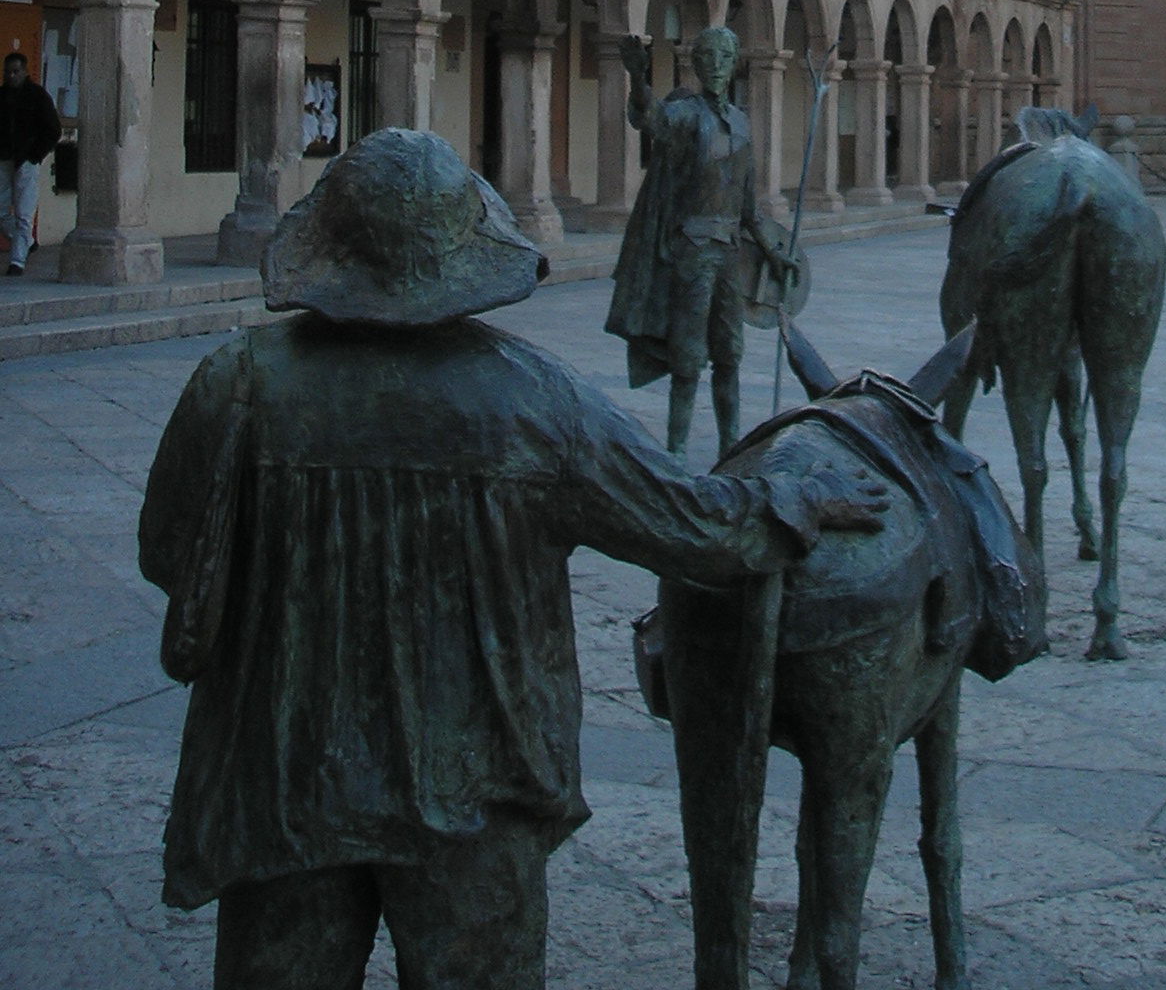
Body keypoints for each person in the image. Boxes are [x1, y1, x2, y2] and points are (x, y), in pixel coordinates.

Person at [138, 128, 882, 990]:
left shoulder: (237, 384)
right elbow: (698, 531)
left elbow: (171, 556)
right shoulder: (534, 400)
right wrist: (796, 498)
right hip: (475, 795)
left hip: (282, 784)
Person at [606, 24, 794, 460]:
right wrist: (639, 78)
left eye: (724, 58)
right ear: (695, 64)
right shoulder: (688, 115)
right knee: (688, 357)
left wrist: (774, 253)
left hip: (729, 250)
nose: (715, 66)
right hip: (692, 249)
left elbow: (749, 208)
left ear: (734, 64)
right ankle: (676, 451)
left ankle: (731, 446)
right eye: (706, 58)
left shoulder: (742, 122)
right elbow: (649, 120)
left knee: (730, 352)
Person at [0, 50, 60, 275]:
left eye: (16, 72)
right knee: (1, 210)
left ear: (25, 72)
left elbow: (53, 129)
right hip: (4, 158)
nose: (11, 76)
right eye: (8, 72)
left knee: (24, 212)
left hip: (27, 159)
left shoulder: (37, 96)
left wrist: (35, 155)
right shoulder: (2, 96)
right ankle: (24, 241)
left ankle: (17, 261)